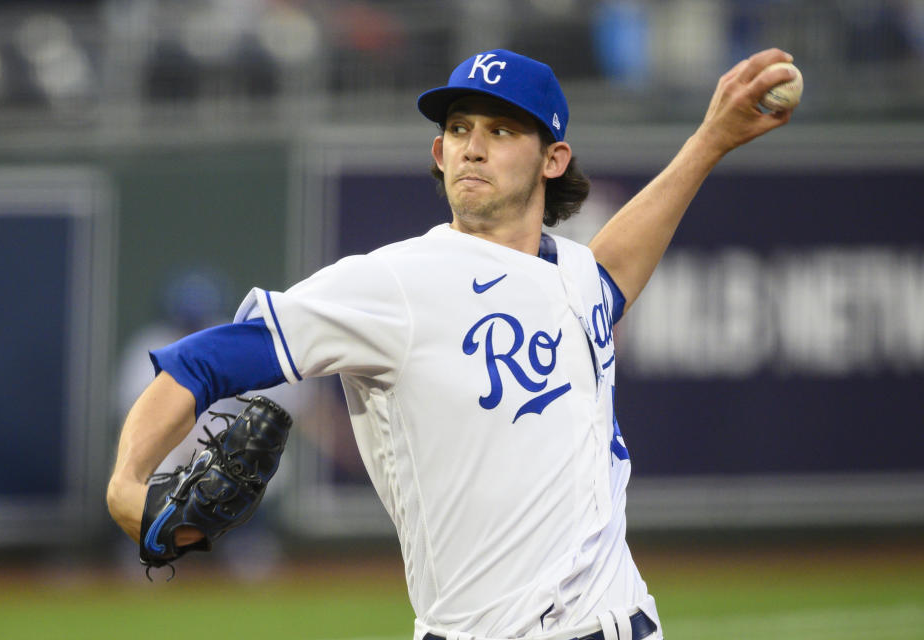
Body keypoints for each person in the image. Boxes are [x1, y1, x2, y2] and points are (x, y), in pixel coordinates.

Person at [107, 47, 796, 640]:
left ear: (554, 158)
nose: (472, 144)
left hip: (622, 618)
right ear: (438, 153)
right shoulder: (393, 283)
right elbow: (201, 361)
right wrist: (126, 486)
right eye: (459, 128)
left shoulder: (577, 274)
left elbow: (612, 269)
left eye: (501, 130)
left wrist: (711, 140)